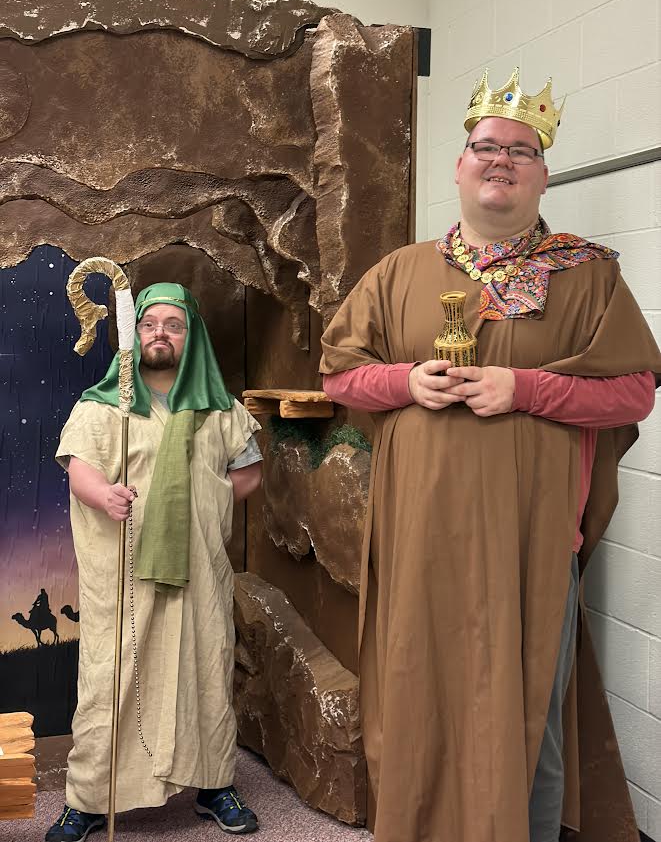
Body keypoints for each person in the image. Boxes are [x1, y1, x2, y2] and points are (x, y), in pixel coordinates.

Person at [319, 68, 661, 842]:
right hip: (419, 535)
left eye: (520, 149)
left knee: (525, 713)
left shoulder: (586, 274)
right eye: (485, 146)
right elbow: (339, 374)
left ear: (542, 174)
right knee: (417, 702)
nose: (500, 158)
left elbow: (632, 392)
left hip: (529, 539)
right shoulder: (398, 272)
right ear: (458, 165)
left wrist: (523, 387)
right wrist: (406, 380)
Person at [46, 282, 263, 841]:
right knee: (111, 679)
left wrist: (194, 502)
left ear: (192, 335)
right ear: (134, 333)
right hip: (125, 573)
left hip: (198, 571)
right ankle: (88, 800)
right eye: (149, 324)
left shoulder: (221, 409)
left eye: (173, 324)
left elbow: (247, 474)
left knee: (206, 670)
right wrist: (104, 495)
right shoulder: (104, 406)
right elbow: (79, 468)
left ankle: (214, 785)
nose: (159, 334)